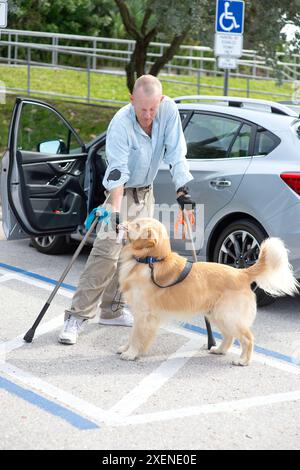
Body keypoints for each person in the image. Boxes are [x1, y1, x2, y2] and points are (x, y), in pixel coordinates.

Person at [58, 74, 195, 345]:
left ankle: (112, 310)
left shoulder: (168, 111)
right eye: (142, 109)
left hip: (146, 192)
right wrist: (117, 216)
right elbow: (117, 171)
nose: (147, 115)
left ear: (162, 100)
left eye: (152, 108)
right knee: (106, 254)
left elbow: (177, 153)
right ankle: (76, 316)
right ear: (132, 100)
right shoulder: (121, 123)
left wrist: (182, 189)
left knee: (138, 255)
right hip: (120, 193)